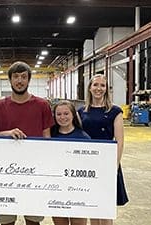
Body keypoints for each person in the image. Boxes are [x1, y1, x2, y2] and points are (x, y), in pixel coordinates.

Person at [0, 61, 54, 225]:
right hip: (4, 171)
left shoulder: (42, 105)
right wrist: (6, 134)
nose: (20, 80)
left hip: (34, 170)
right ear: (10, 80)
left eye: (24, 77)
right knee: (6, 221)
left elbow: (47, 138)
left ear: (29, 80)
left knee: (33, 220)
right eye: (16, 77)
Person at [77, 74, 129, 225]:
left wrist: (115, 165)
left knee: (105, 208)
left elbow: (119, 141)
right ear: (90, 88)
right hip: (87, 163)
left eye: (102, 85)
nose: (99, 88)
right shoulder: (81, 112)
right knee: (92, 206)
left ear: (106, 89)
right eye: (96, 85)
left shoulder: (115, 111)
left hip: (107, 163)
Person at [51, 100, 89, 225]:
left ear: (73, 115)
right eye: (59, 114)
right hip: (56, 189)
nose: (62, 117)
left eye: (66, 114)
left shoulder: (84, 138)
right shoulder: (49, 137)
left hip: (77, 190)